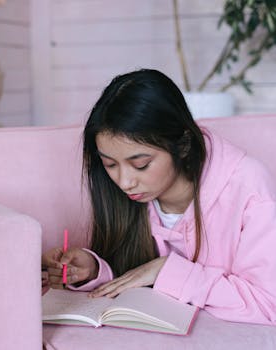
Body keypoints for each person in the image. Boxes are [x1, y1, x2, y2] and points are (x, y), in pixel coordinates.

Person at [42, 69, 276, 325]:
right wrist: (94, 269)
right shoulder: (128, 196)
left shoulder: (248, 186)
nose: (124, 182)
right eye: (110, 164)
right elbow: (132, 274)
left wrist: (168, 269)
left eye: (141, 164)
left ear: (183, 145)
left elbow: (268, 305)